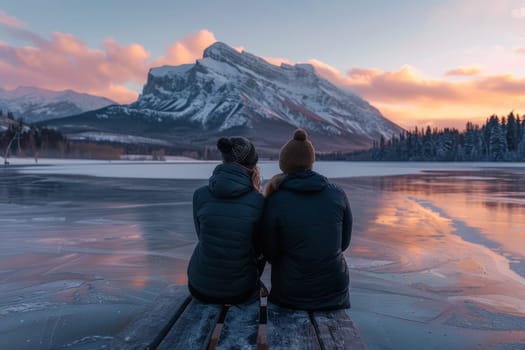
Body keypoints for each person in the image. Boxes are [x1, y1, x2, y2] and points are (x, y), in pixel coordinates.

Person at [261, 129, 352, 310]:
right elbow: (344, 243)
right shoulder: (337, 194)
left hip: (290, 292)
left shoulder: (275, 200)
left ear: (283, 165)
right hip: (333, 291)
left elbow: (269, 251)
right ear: (311, 162)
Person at [187, 136, 265, 304]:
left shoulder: (200, 195)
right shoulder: (259, 202)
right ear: (252, 165)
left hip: (199, 286)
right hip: (240, 291)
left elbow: (202, 236)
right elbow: (258, 250)